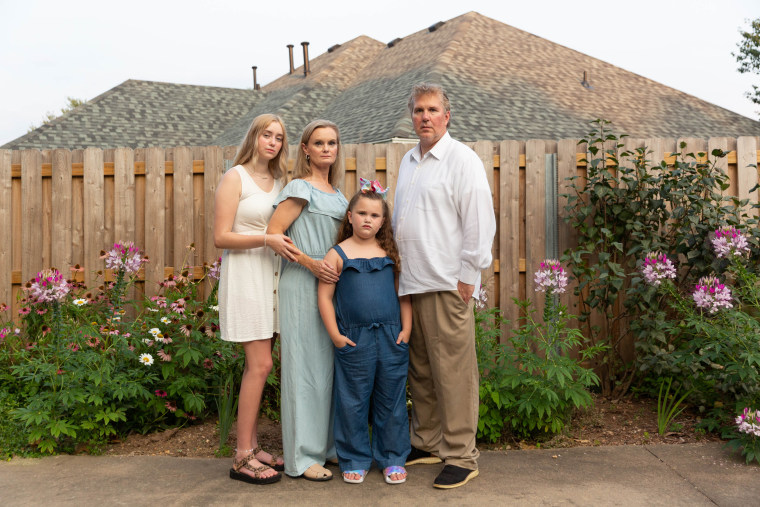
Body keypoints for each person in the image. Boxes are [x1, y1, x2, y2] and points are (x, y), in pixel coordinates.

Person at [392, 83, 496, 489]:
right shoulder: (409, 161)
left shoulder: (461, 160)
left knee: (453, 373)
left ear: (447, 116)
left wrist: (469, 274)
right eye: (418, 110)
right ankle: (428, 441)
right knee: (420, 370)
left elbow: (479, 221)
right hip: (411, 283)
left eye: (433, 110)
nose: (425, 117)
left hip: (446, 283)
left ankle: (461, 454)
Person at [214, 113, 299, 485]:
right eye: (267, 134)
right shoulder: (235, 177)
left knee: (262, 366)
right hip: (246, 276)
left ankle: (251, 445)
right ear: (254, 136)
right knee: (260, 365)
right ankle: (241, 457)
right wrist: (266, 239)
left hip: (275, 277)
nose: (273, 142)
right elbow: (221, 237)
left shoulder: (282, 181)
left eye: (279, 137)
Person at [268, 119, 348, 481]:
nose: (326, 149)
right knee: (304, 369)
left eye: (332, 143)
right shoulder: (299, 187)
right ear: (305, 149)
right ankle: (301, 457)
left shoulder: (341, 195)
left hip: (332, 287)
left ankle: (326, 447)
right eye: (319, 143)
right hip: (302, 282)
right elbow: (273, 233)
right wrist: (311, 264)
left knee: (328, 369)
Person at [317, 180, 412, 485]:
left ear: (383, 221)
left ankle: (392, 457)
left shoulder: (389, 252)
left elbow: (403, 295)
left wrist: (406, 329)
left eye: (374, 215)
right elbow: (324, 297)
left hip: (391, 337)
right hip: (353, 339)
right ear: (350, 216)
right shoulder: (337, 254)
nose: (367, 219)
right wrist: (335, 335)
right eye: (361, 213)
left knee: (391, 399)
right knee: (353, 400)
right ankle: (355, 457)